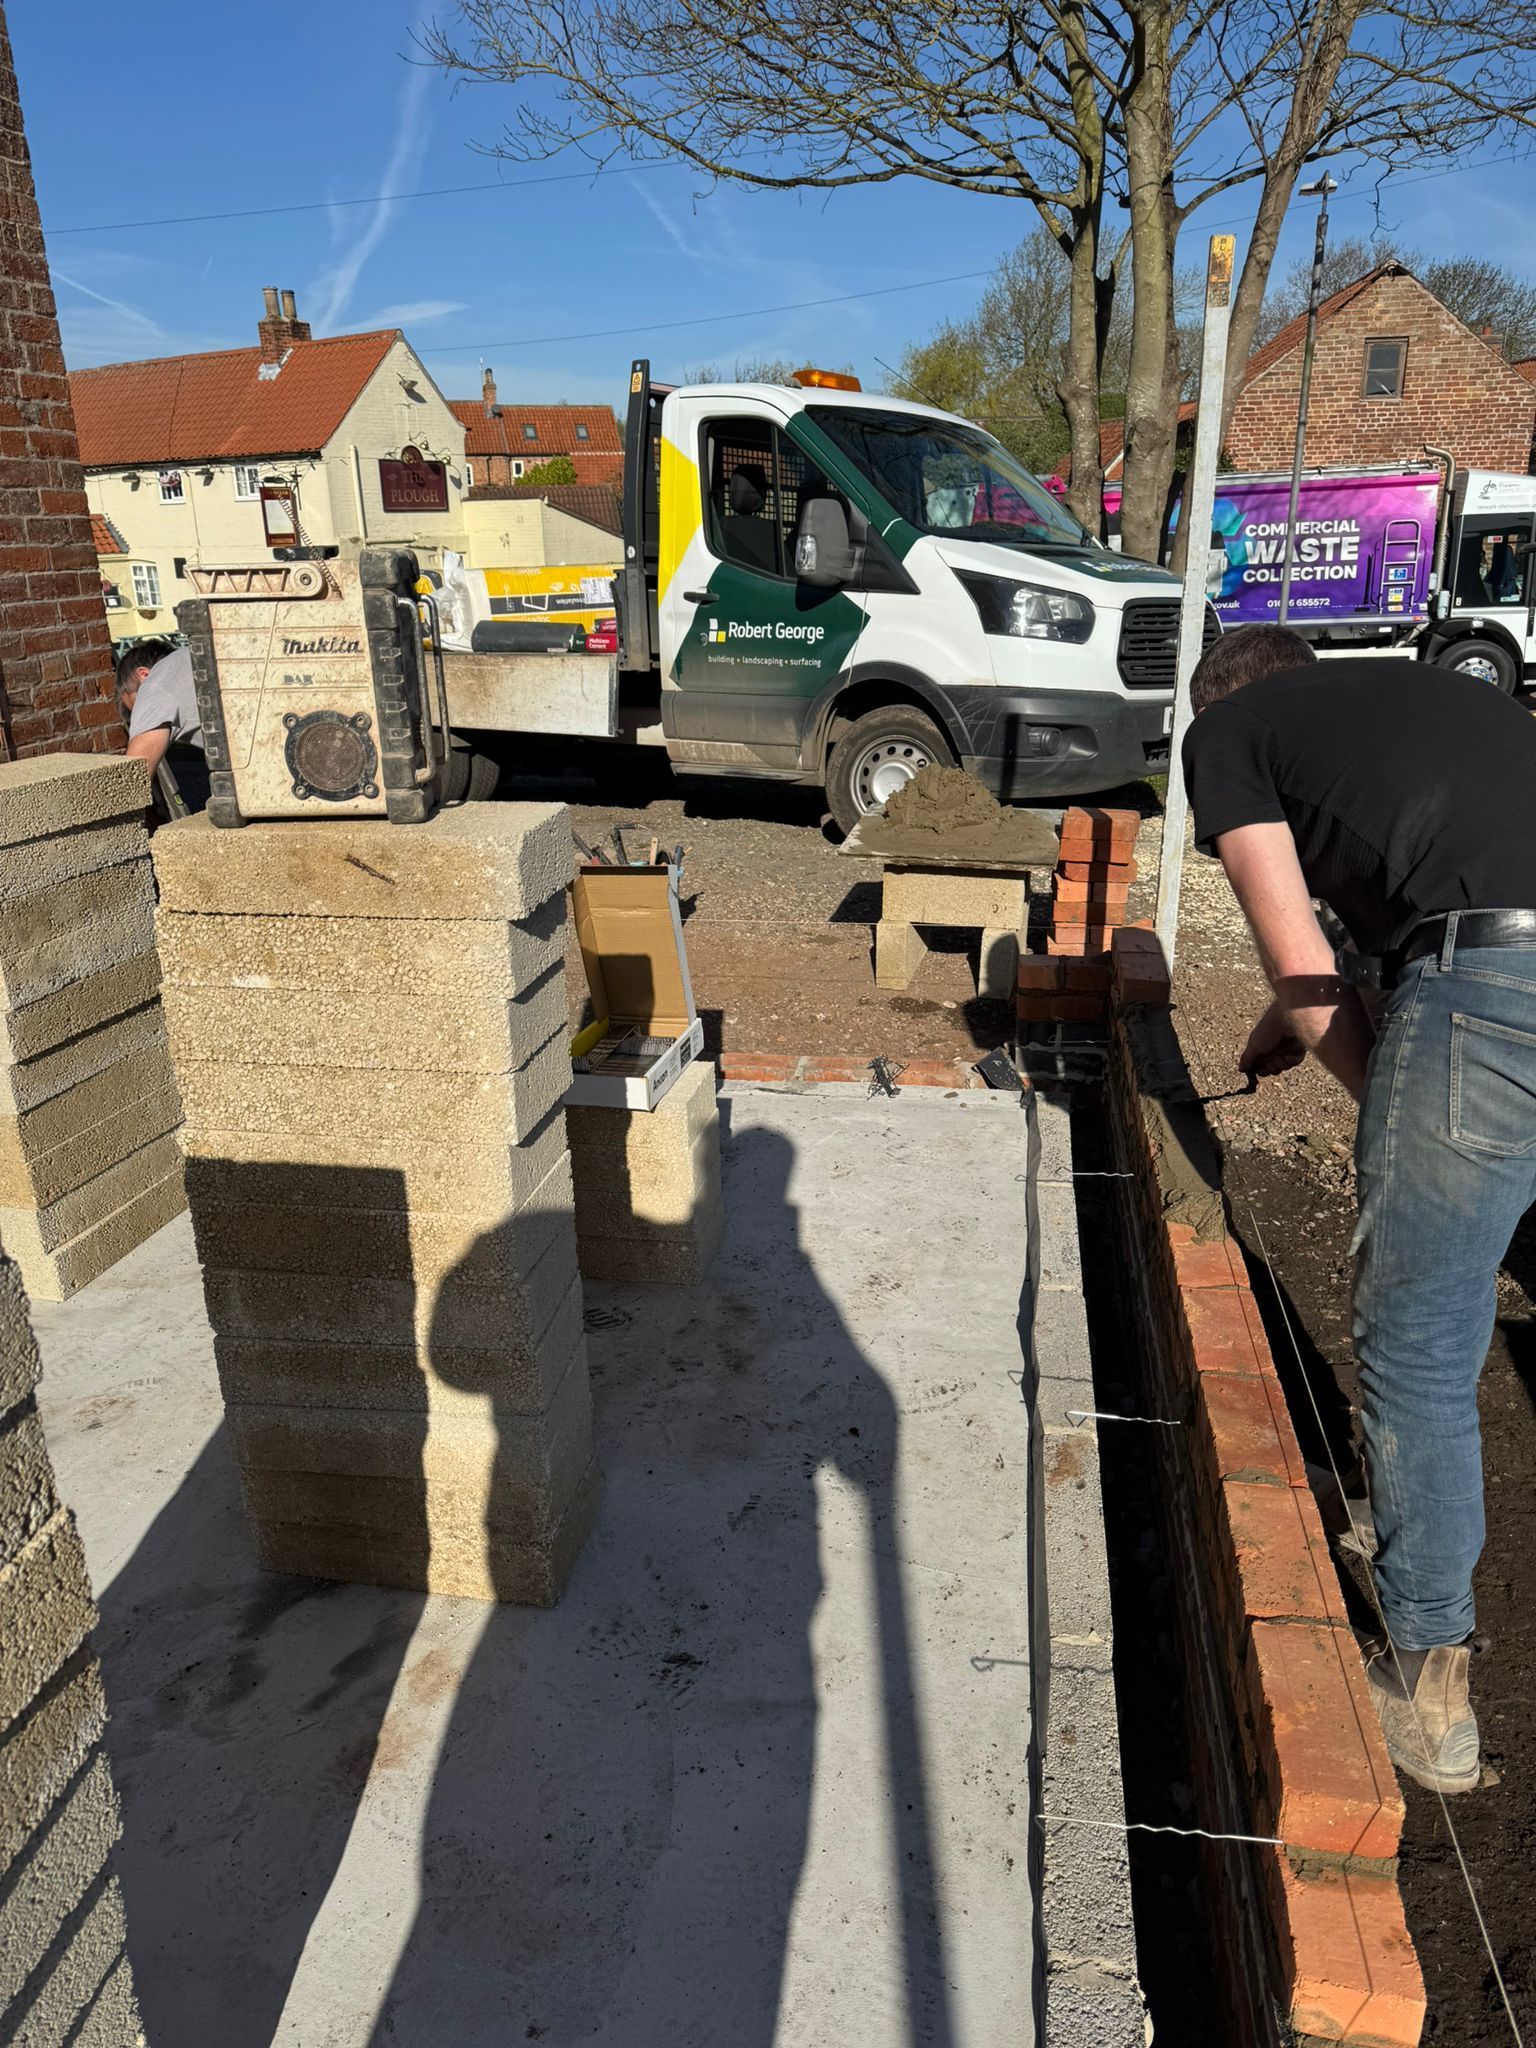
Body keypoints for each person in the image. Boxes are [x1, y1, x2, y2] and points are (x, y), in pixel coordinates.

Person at [1182, 621, 1536, 1796]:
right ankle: (1413, 1523)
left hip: (1493, 986)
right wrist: (1285, 1026)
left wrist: (1372, 1077)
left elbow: (1306, 957)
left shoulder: (1227, 728)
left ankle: (1431, 1689)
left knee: (1423, 1343)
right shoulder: (1434, 702)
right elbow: (1383, 916)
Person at [115, 639, 210, 815]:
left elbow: (132, 781)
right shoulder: (193, 655)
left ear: (143, 674)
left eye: (138, 709)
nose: (142, 718)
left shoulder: (154, 684)